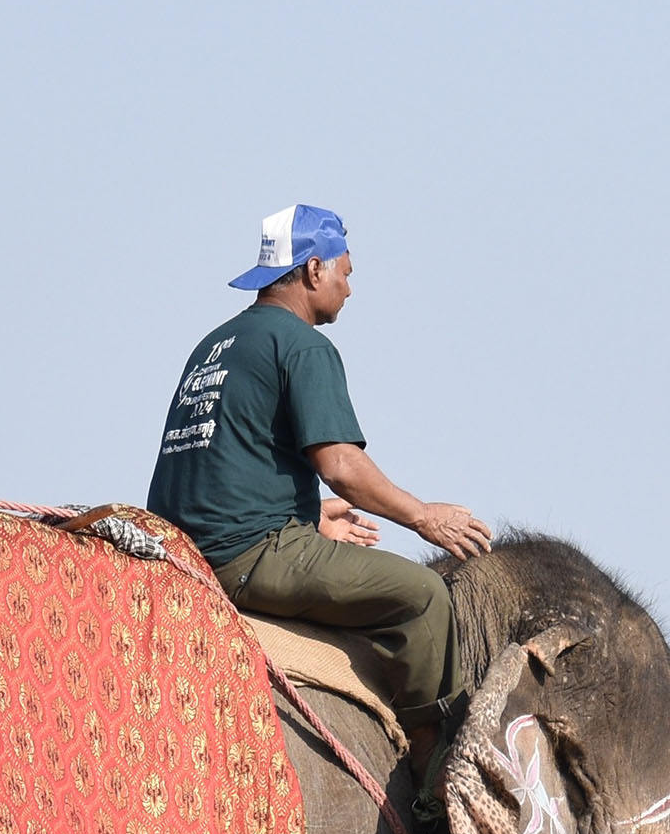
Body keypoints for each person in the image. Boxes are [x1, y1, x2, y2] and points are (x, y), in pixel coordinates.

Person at [145, 204, 487, 741]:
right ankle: (433, 772)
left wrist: (308, 515)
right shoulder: (304, 345)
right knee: (424, 597)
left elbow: (225, 460)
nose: (349, 289)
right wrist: (424, 517)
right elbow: (342, 468)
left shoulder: (214, 345)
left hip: (185, 550)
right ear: (313, 270)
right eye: (345, 272)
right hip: (246, 558)